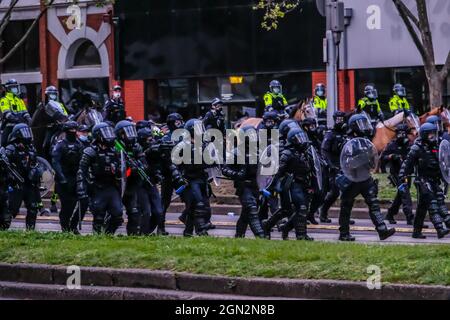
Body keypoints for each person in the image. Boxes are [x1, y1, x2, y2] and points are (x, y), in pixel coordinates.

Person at [337, 114, 396, 241]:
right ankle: (344, 233)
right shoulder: (348, 142)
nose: (364, 127)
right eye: (361, 124)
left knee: (373, 203)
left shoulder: (365, 141)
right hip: (352, 178)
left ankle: (382, 230)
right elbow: (347, 162)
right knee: (346, 205)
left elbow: (372, 160)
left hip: (365, 176)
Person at [399, 123, 450, 239]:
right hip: (423, 180)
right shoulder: (417, 148)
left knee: (424, 207)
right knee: (432, 204)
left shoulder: (437, 147)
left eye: (434, 134)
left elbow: (443, 162)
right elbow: (407, 164)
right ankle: (439, 229)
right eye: (431, 134)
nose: (433, 137)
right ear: (425, 135)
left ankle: (416, 231)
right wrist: (402, 177)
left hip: (434, 180)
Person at [264, 129, 316, 240]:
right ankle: (301, 235)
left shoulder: (305, 152)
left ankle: (276, 227)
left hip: (303, 184)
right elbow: (278, 171)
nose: (301, 141)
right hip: (290, 185)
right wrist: (271, 187)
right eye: (298, 138)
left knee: (290, 210)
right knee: (300, 209)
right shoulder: (287, 153)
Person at [77, 122, 123, 234]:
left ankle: (108, 234)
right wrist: (81, 188)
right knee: (98, 215)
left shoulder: (115, 151)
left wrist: (118, 170)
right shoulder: (90, 151)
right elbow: (81, 171)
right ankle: (97, 236)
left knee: (117, 215)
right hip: (97, 187)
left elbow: (121, 167)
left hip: (112, 186)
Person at [222, 126, 266, 238]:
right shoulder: (236, 152)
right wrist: (236, 175)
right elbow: (225, 169)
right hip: (243, 186)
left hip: (255, 186)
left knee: (246, 213)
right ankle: (260, 235)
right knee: (251, 209)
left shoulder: (258, 152)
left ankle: (239, 235)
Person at [172, 119, 214, 237]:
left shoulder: (204, 144)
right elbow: (176, 163)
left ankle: (188, 232)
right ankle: (201, 231)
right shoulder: (182, 146)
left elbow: (211, 161)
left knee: (196, 208)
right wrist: (178, 176)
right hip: (189, 180)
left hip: (202, 179)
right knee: (198, 206)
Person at [4, 124, 42, 230]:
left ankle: (31, 231)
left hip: (29, 183)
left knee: (33, 208)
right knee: (12, 209)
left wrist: (36, 172)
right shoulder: (11, 148)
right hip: (16, 184)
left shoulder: (31, 148)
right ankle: (4, 229)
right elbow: (5, 166)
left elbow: (35, 163)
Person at [51, 121, 88, 233]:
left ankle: (74, 224)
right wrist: (61, 178)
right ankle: (65, 227)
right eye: (71, 130)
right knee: (68, 205)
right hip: (64, 180)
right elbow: (55, 162)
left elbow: (84, 161)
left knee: (84, 202)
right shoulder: (60, 145)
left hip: (77, 178)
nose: (73, 132)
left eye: (74, 130)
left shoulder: (79, 144)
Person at [115, 120, 148, 236]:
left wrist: (138, 167)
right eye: (126, 132)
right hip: (116, 185)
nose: (130, 135)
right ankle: (106, 234)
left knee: (134, 212)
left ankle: (132, 236)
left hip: (132, 185)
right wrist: (128, 169)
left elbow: (144, 163)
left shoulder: (136, 146)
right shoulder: (115, 146)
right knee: (115, 213)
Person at [319, 111, 347, 223]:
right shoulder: (330, 133)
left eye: (342, 119)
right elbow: (324, 150)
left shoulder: (346, 133)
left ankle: (345, 217)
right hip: (333, 167)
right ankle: (323, 212)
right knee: (334, 192)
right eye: (338, 119)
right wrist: (330, 165)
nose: (340, 121)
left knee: (348, 192)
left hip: (345, 166)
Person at [0, 79, 32, 147]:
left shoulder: (19, 100)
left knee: (29, 140)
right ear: (8, 89)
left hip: (21, 126)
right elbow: (7, 113)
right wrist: (16, 119)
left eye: (16, 87)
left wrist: (30, 120)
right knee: (3, 143)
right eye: (13, 87)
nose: (15, 89)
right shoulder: (4, 100)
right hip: (10, 125)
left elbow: (25, 112)